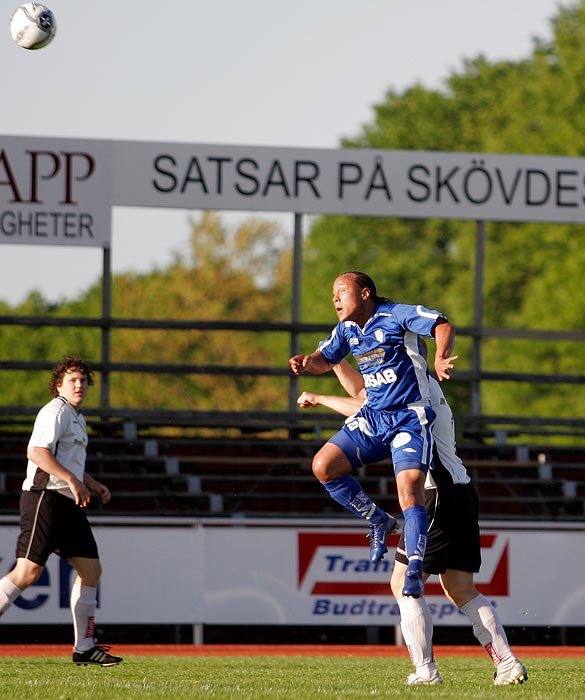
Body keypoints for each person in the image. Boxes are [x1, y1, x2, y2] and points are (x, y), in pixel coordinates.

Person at [297, 357, 528, 687]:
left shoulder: (409, 391)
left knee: (402, 583)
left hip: (435, 496)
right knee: (461, 589)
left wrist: (319, 399)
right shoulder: (420, 383)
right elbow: (364, 391)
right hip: (460, 491)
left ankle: (426, 671)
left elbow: (367, 408)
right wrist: (335, 359)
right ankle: (507, 663)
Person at [289, 271, 457, 599]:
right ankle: (378, 519)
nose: (335, 299)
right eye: (332, 293)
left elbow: (441, 323)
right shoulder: (347, 330)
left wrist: (439, 356)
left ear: (365, 293)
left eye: (341, 291)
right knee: (323, 466)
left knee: (409, 491)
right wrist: (308, 363)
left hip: (409, 417)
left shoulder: (394, 316)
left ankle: (414, 568)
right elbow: (326, 359)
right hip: (374, 416)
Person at [0, 356, 123, 667]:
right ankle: (84, 646)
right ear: (58, 385)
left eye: (83, 380)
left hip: (68, 502)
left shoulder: (76, 416)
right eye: (72, 380)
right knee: (27, 573)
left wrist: (91, 483)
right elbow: (36, 452)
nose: (79, 385)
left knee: (91, 570)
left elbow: (68, 463)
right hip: (45, 498)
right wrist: (72, 480)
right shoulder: (54, 411)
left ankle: (84, 647)